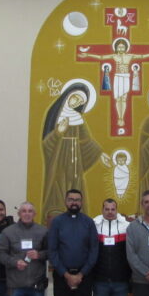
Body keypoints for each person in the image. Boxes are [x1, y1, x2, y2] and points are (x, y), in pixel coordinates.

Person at [41, 81, 111, 223]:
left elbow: (87, 141)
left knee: (76, 187)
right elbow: (45, 145)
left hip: (74, 166)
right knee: (57, 191)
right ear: (68, 95)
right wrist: (58, 133)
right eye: (75, 97)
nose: (76, 102)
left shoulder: (78, 119)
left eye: (79, 101)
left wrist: (100, 154)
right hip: (57, 164)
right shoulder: (55, 115)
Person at [79, 38, 149, 127]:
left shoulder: (129, 56)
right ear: (116, 48)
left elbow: (141, 56)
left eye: (123, 47)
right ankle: (120, 117)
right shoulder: (114, 56)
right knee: (118, 99)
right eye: (119, 47)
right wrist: (87, 54)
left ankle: (122, 117)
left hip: (126, 78)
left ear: (126, 48)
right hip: (117, 78)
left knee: (124, 99)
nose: (121, 49)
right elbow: (101, 57)